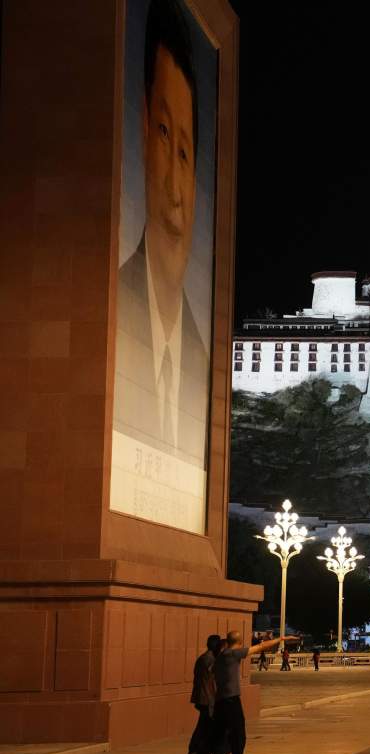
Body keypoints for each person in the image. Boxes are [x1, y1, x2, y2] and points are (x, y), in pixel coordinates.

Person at [113, 0, 210, 462]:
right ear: (142, 129)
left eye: (186, 155)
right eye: (165, 134)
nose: (174, 189)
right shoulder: (113, 307)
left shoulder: (202, 362)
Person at [188, 631, 295, 754]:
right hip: (231, 700)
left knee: (217, 735)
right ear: (239, 642)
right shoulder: (233, 653)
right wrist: (281, 638)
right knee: (239, 736)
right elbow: (260, 647)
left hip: (220, 700)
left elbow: (212, 672)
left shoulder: (220, 656)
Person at [185, 635, 226, 754]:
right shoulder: (210, 660)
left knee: (202, 728)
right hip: (208, 701)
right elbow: (212, 683)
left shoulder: (203, 658)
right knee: (207, 731)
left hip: (203, 699)